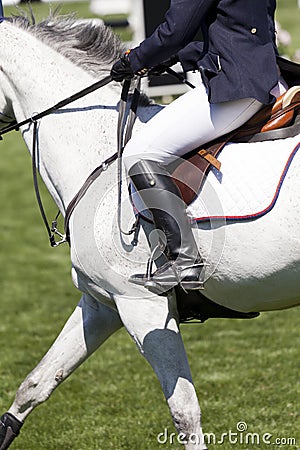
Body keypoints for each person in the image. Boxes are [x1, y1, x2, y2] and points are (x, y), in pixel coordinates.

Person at [110, 0, 287, 295]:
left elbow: (174, 31)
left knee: (140, 153)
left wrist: (134, 60)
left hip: (235, 86)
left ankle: (184, 260)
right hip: (265, 73)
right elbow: (239, 25)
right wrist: (177, 57)